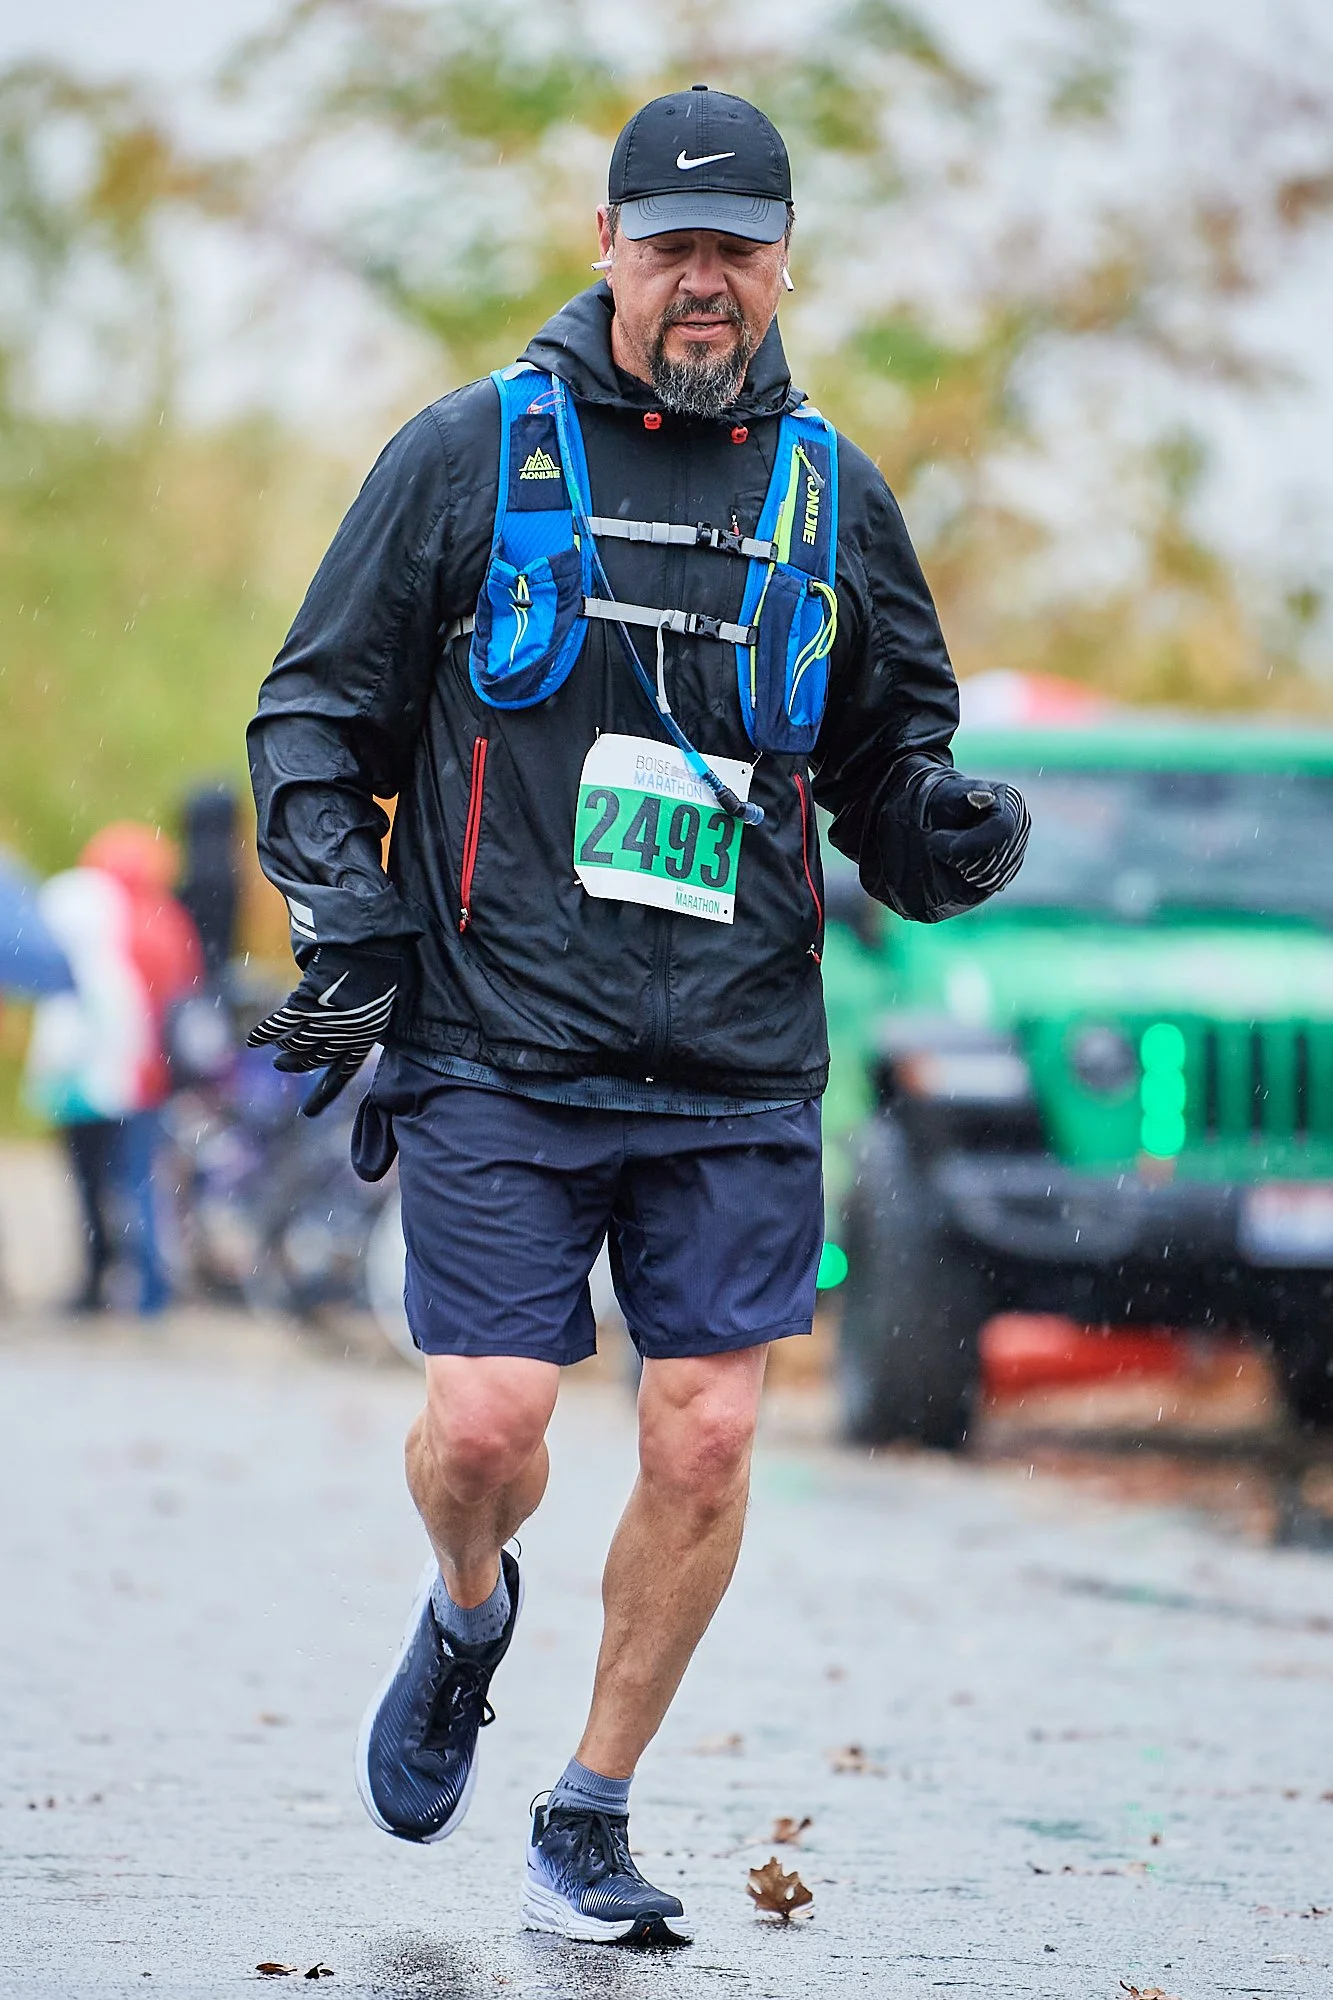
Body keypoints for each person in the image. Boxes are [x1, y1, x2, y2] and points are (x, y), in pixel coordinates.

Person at [247, 85, 1029, 1946]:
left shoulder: (834, 496)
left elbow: (886, 763)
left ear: (781, 262)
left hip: (736, 1057)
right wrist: (344, 915)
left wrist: (940, 828)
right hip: (496, 1041)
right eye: (670, 245)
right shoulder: (466, 455)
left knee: (706, 1439)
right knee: (488, 1427)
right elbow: (314, 720)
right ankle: (468, 1610)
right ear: (605, 246)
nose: (703, 281)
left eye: (735, 249)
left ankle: (586, 1811)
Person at [25, 823, 203, 1314]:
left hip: (97, 1083)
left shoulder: (90, 929)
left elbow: (70, 1026)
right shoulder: (166, 922)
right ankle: (149, 1288)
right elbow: (184, 991)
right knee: (140, 1180)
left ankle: (102, 1279)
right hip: (149, 1075)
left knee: (96, 1183)